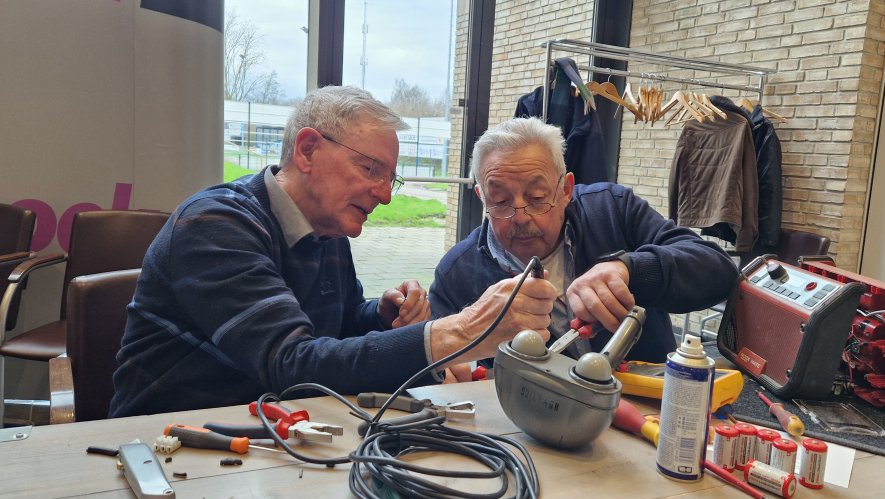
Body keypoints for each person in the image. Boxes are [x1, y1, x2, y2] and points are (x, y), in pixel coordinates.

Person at [110, 86, 556, 416]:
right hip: (169, 441)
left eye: (390, 178)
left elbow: (336, 327)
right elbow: (292, 363)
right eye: (370, 169)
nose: (384, 195)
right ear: (307, 150)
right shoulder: (214, 225)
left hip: (274, 434)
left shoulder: (328, 229)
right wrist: (460, 331)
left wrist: (379, 316)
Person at [429, 117, 739, 370]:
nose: (520, 217)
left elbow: (718, 272)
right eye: (500, 201)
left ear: (566, 190)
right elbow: (443, 372)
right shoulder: (456, 275)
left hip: (648, 412)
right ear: (481, 198)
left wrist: (629, 270)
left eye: (537, 198)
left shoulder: (613, 210)